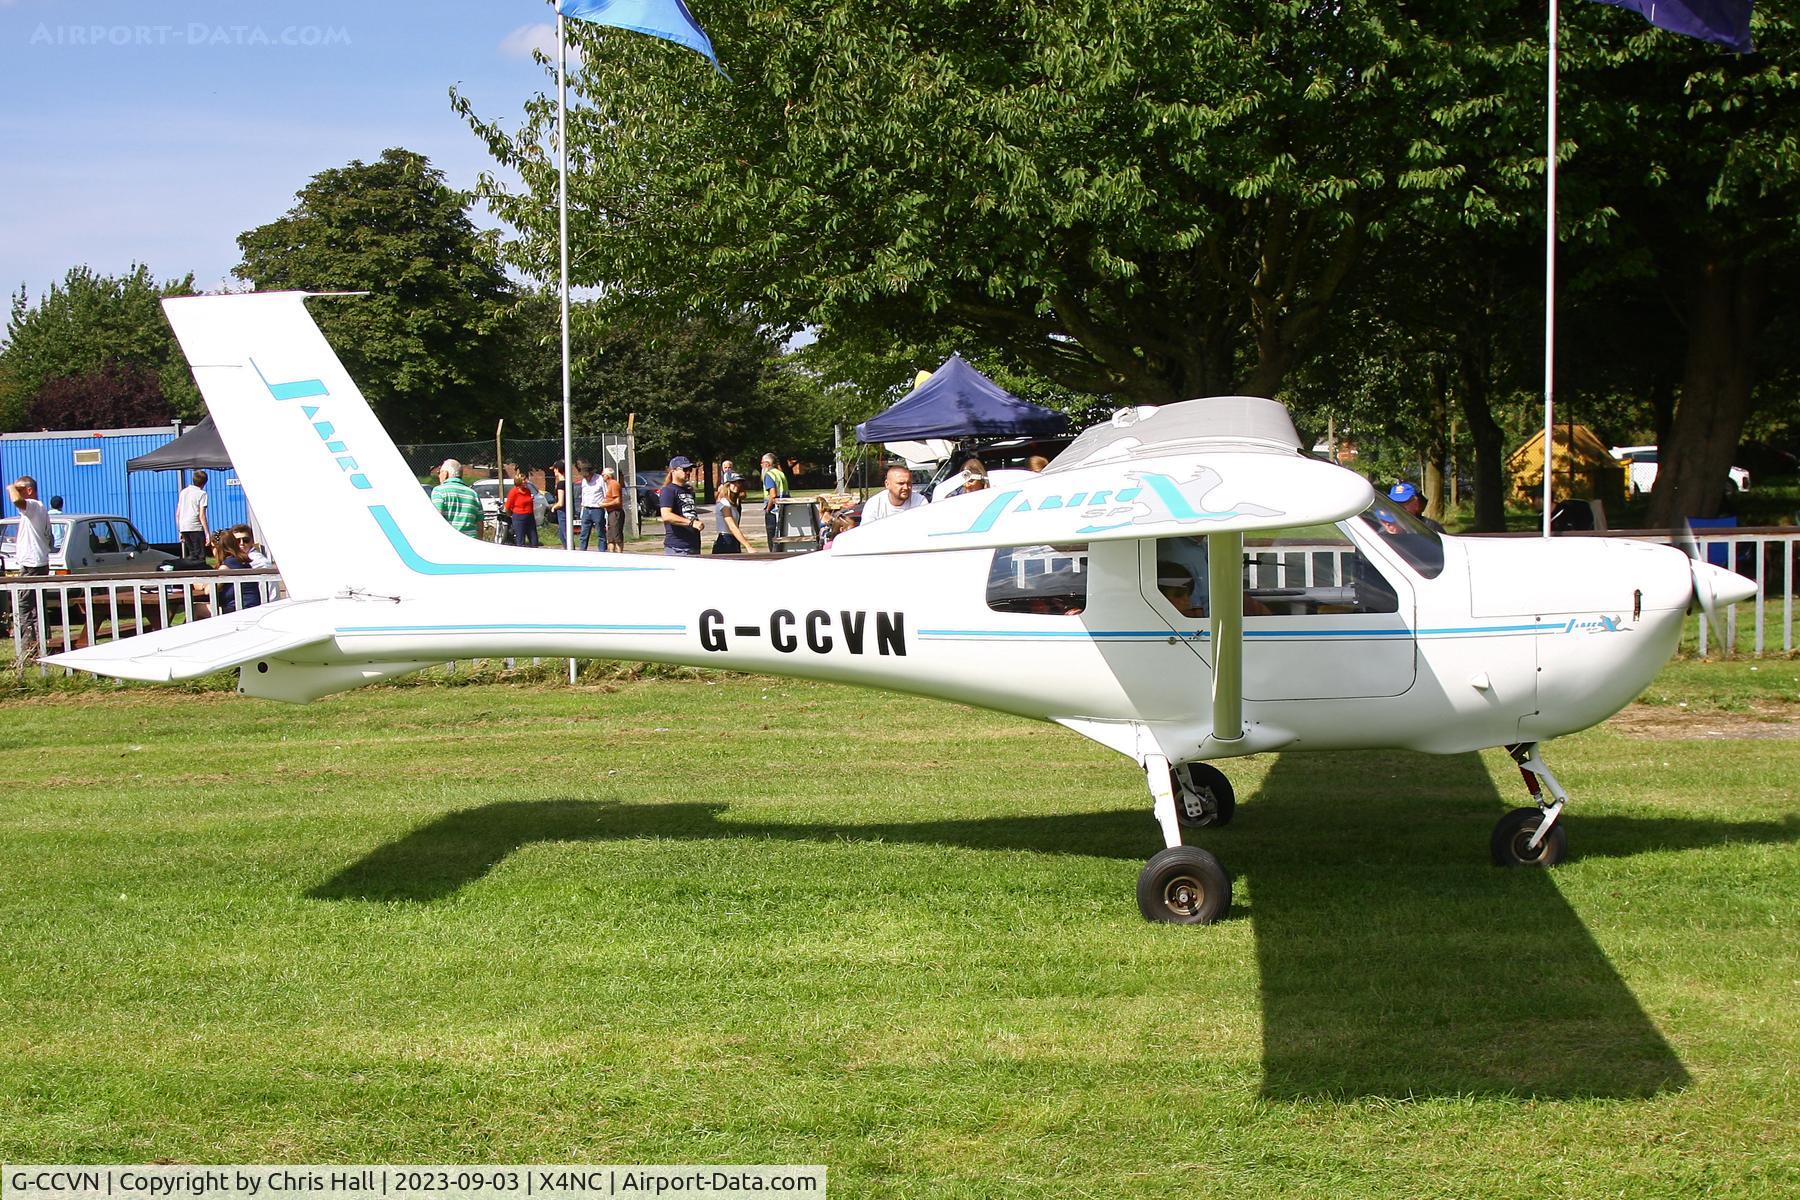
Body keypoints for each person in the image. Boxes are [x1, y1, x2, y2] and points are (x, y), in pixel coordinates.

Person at [7, 475, 51, 656]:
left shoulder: (33, 506)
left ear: (29, 490)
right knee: (37, 605)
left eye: (20, 488)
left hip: (32, 563)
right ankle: (42, 642)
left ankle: (28, 646)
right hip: (37, 562)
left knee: (24, 605)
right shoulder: (37, 510)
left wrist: (10, 486)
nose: (15, 492)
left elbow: (17, 500)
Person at [657, 455, 704, 556]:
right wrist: (691, 523)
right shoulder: (668, 490)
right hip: (678, 547)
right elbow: (666, 516)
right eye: (685, 469)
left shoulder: (688, 490)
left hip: (693, 545)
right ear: (673, 470)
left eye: (690, 469)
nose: (688, 472)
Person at [431, 459, 481, 537]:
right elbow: (480, 524)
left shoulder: (439, 491)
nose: (439, 475)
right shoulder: (473, 494)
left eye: (439, 472)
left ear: (445, 474)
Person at [861, 463, 927, 523]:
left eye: (909, 483)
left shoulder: (920, 502)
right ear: (887, 484)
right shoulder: (874, 504)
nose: (906, 487)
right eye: (901, 483)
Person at [176, 469, 211, 561]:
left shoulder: (183, 492)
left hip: (184, 527)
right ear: (205, 482)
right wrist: (207, 534)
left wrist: (180, 531)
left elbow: (178, 514)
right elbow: (202, 515)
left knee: (192, 555)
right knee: (200, 556)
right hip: (195, 527)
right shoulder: (202, 494)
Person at [713, 472, 750, 554]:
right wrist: (748, 546)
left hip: (734, 540)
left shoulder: (735, 504)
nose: (737, 485)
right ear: (728, 485)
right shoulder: (724, 503)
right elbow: (732, 527)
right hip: (725, 542)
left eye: (739, 482)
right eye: (733, 482)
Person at [760, 452, 789, 550]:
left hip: (774, 510)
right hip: (784, 508)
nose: (761, 465)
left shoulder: (769, 474)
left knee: (772, 538)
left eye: (762, 463)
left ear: (767, 464)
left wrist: (768, 509)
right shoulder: (780, 473)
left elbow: (772, 495)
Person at [577, 460, 606, 551]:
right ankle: (582, 551)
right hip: (586, 509)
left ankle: (602, 551)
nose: (586, 478)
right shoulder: (584, 482)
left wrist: (605, 510)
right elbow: (584, 496)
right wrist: (582, 511)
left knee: (600, 532)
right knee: (584, 534)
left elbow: (606, 493)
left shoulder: (600, 480)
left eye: (587, 475)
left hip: (597, 509)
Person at [504, 473, 538, 548]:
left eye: (525, 479)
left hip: (530, 517)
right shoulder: (513, 492)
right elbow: (507, 507)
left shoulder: (528, 491)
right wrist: (511, 515)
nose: (526, 481)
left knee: (534, 541)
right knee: (520, 541)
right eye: (523, 480)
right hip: (519, 518)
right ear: (519, 481)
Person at [601, 466, 625, 552]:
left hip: (616, 512)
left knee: (616, 535)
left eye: (603, 475)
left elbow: (617, 501)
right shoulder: (609, 485)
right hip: (610, 512)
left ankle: (619, 553)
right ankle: (611, 553)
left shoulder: (614, 484)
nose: (602, 476)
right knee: (610, 536)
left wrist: (605, 504)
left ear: (608, 475)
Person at [548, 461, 569, 547]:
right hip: (566, 511)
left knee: (565, 535)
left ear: (557, 469)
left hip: (562, 512)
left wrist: (553, 507)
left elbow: (560, 503)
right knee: (562, 534)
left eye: (554, 469)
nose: (554, 471)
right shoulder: (567, 483)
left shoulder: (561, 484)